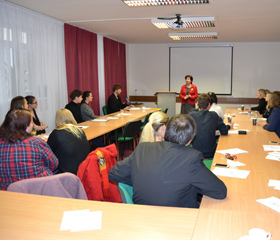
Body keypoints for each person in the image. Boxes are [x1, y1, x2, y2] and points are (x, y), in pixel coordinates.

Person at [109, 114, 227, 208]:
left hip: (142, 219)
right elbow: (220, 191)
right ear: (190, 140)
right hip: (179, 221)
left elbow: (113, 173)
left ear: (166, 131)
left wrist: (142, 176)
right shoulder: (192, 158)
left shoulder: (143, 148)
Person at [0, 109, 58, 190]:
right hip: (40, 188)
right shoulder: (37, 143)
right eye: (31, 122)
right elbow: (54, 165)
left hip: (9, 191)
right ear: (25, 126)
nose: (33, 125)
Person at [189, 94, 233, 159]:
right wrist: (229, 126)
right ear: (209, 105)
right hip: (210, 153)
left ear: (197, 103)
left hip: (195, 152)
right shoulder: (213, 115)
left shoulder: (191, 115)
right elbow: (224, 131)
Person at [47, 109, 90, 175]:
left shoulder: (56, 133)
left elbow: (48, 152)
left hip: (67, 174)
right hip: (84, 169)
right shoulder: (79, 131)